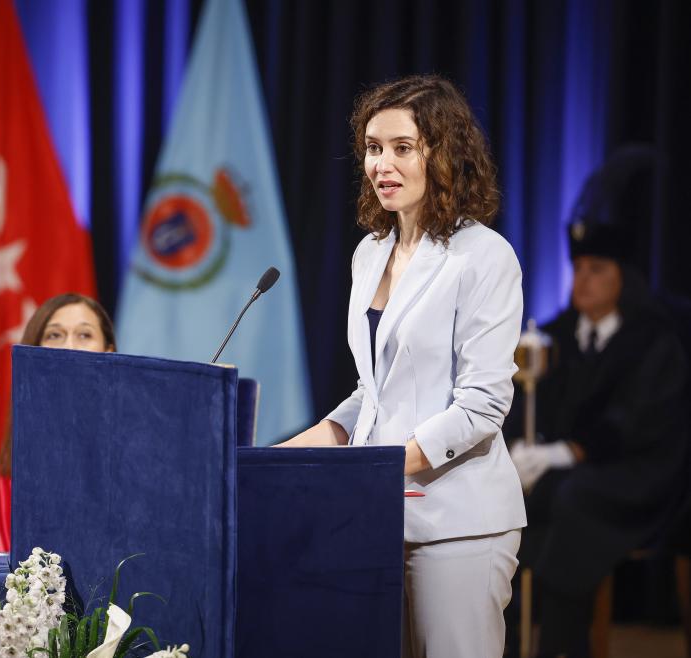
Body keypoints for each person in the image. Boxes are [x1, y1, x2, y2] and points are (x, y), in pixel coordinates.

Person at [277, 75, 526, 657]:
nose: (382, 164)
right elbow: (376, 390)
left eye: (402, 147)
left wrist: (373, 467)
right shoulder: (371, 252)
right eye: (372, 147)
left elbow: (483, 404)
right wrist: (281, 457)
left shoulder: (484, 255)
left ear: (443, 152)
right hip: (377, 515)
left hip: (460, 521)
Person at [508, 219, 688, 657]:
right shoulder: (558, 336)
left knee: (573, 499)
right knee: (520, 503)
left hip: (638, 473)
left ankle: (562, 646)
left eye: (596, 269)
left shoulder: (653, 341)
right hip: (573, 471)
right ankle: (509, 640)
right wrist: (522, 447)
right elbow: (535, 406)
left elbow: (636, 422)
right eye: (579, 269)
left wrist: (565, 452)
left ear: (623, 277)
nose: (582, 280)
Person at [0, 293, 116, 552]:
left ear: (109, 351)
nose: (70, 347)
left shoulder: (129, 449)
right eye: (54, 335)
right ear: (35, 350)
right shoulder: (20, 465)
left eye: (84, 335)